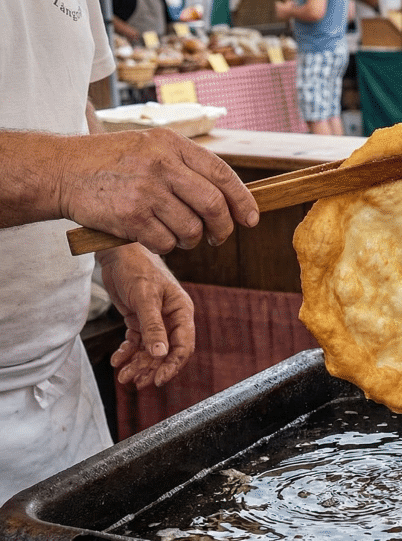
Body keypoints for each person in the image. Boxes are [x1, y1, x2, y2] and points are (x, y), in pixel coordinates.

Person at [0, 0, 259, 505]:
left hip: (57, 393)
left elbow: (69, 101)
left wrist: (120, 250)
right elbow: (67, 162)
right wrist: (66, 174)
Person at [276, 0, 353, 135]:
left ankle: (327, 156)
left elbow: (315, 11)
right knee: (331, 113)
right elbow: (350, 12)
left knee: (316, 116)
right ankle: (341, 156)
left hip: (317, 49)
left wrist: (288, 10)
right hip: (336, 46)